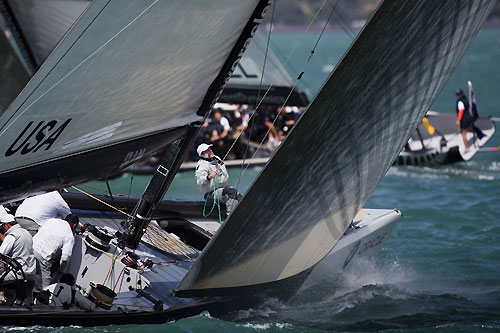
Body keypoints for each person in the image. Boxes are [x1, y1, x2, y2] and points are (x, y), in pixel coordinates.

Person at [32, 214, 79, 292]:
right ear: (74, 225)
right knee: (45, 287)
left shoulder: (52, 220)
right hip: (43, 256)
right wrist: (61, 270)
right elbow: (65, 258)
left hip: (31, 247)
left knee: (29, 277)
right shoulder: (69, 236)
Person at [195, 143, 242, 215]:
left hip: (223, 189)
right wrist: (209, 177)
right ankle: (230, 219)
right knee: (231, 192)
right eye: (207, 150)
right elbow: (200, 181)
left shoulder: (216, 158)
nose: (210, 151)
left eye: (210, 149)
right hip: (212, 193)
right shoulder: (201, 165)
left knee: (240, 197)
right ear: (202, 155)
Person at [0, 214, 36, 305]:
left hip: (17, 275)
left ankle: (2, 302)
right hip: (30, 275)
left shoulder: (12, 235)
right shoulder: (26, 233)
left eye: (1, 227)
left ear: (6, 225)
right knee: (26, 305)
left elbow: (1, 254)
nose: (2, 230)